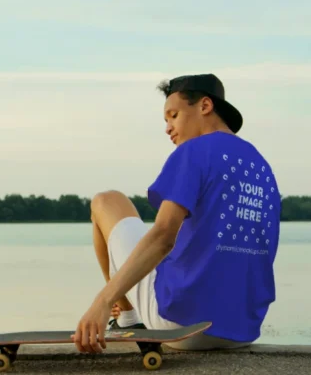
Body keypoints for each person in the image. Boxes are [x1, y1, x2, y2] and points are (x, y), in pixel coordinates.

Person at [72, 73, 281, 354]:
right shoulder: (261, 165)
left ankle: (127, 318)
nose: (169, 128)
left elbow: (163, 237)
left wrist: (103, 301)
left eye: (173, 115)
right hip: (243, 330)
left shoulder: (194, 151)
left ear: (205, 106)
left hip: (180, 324)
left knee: (106, 201)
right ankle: (131, 314)